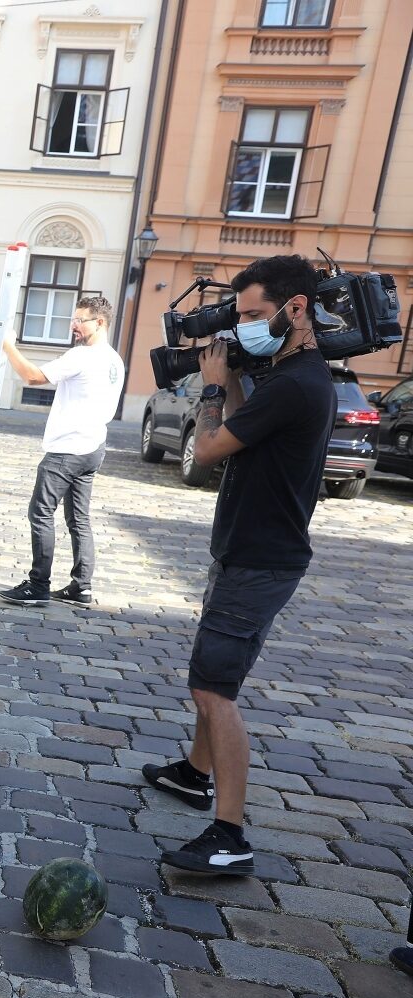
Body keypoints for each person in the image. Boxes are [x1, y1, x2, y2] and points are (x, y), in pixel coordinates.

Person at [143, 254, 334, 876]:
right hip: (249, 552)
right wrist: (244, 367)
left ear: (296, 309)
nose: (246, 324)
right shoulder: (292, 376)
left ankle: (229, 833)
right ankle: (194, 774)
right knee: (212, 673)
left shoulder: (299, 386)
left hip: (259, 560)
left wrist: (216, 382)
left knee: (212, 688)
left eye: (255, 314)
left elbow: (205, 451)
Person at [0, 295, 124, 607]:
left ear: (100, 322)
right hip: (93, 446)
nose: (74, 325)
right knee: (78, 519)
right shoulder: (114, 360)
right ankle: (81, 587)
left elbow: (32, 377)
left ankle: (38, 584)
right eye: (74, 319)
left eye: (81, 320)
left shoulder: (83, 356)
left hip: (68, 449)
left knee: (40, 512)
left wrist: (7, 346)